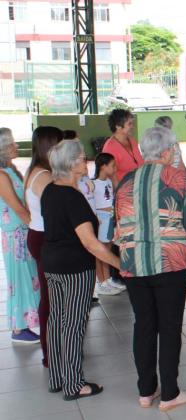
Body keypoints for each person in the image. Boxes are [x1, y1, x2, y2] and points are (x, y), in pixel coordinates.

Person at [114, 127, 186, 411]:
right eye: (174, 149)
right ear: (166, 152)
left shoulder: (125, 180)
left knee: (144, 324)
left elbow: (119, 223)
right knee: (170, 327)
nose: (175, 153)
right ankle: (171, 393)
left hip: (133, 263)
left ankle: (146, 391)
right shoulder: (179, 179)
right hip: (170, 263)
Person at [41, 140, 120, 400]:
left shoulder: (50, 190)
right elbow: (89, 242)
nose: (86, 162)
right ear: (73, 164)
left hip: (52, 263)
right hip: (74, 268)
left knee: (56, 320)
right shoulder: (72, 197)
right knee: (73, 324)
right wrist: (120, 264)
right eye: (83, 158)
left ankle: (57, 378)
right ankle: (74, 384)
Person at [24, 126, 63, 366]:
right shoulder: (44, 176)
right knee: (50, 300)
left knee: (50, 298)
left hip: (40, 235)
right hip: (45, 238)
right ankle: (51, 353)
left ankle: (53, 350)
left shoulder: (37, 170)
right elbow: (58, 212)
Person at [0, 128, 40, 344]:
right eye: (12, 144)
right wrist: (37, 228)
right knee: (19, 278)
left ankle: (28, 320)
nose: (16, 147)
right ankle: (18, 328)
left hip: (23, 230)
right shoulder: (1, 176)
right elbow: (18, 208)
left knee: (29, 276)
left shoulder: (10, 170)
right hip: (15, 234)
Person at [91, 153, 125, 297]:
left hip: (110, 218)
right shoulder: (93, 184)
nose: (115, 168)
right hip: (101, 219)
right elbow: (92, 203)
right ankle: (101, 281)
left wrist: (114, 177)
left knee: (108, 248)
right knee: (100, 251)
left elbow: (118, 191)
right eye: (112, 166)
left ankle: (108, 279)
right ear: (103, 166)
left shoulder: (110, 182)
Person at [102, 109, 144, 185]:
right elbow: (110, 176)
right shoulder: (110, 148)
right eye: (129, 124)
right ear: (118, 126)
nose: (132, 126)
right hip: (123, 191)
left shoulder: (132, 141)